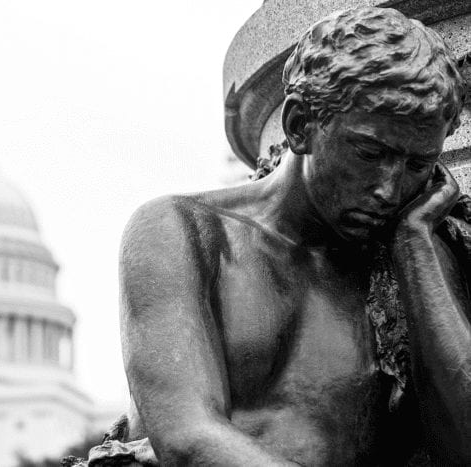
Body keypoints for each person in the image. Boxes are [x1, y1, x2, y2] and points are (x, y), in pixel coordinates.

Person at [74, 6, 471, 466]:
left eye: (417, 165)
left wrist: (416, 245)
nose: (389, 189)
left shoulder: (410, 256)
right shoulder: (184, 230)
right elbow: (188, 438)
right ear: (300, 125)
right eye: (369, 152)